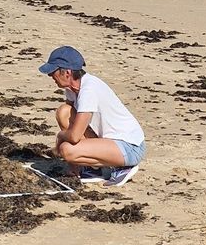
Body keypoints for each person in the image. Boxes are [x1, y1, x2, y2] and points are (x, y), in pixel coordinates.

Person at [39, 46, 145, 187]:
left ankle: (122, 167)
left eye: (53, 72)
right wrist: (73, 168)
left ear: (67, 73)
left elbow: (74, 136)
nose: (50, 76)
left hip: (129, 146)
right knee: (64, 112)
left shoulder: (88, 89)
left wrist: (60, 137)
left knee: (67, 150)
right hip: (108, 140)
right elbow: (70, 119)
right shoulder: (72, 88)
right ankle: (91, 169)